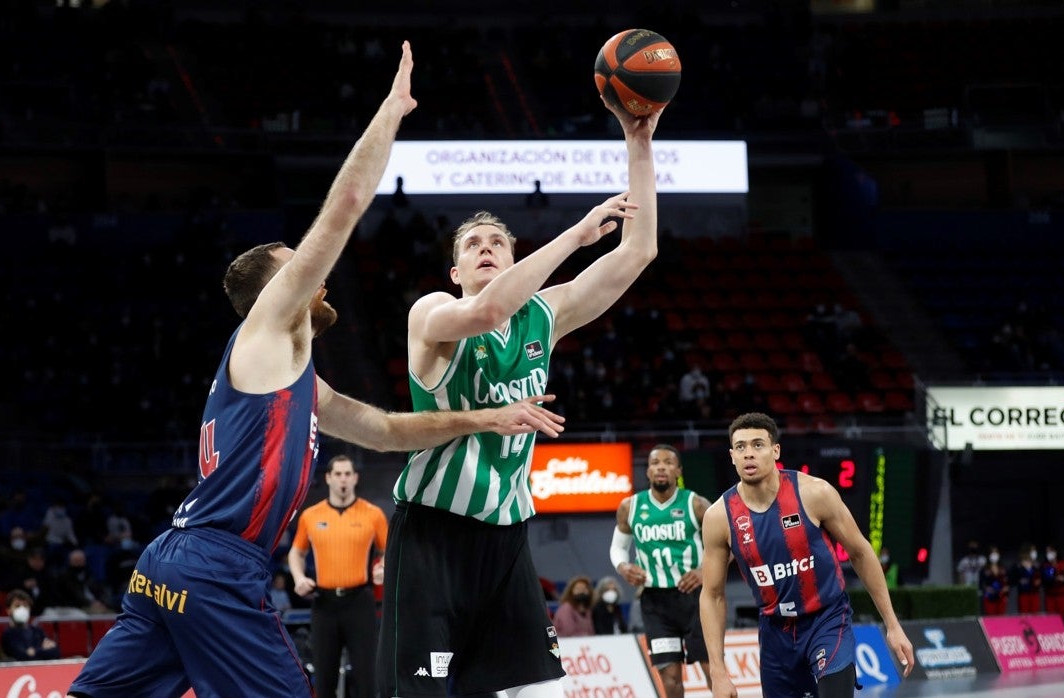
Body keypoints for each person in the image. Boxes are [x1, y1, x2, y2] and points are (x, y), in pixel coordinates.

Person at [67, 42, 565, 698]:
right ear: (276, 288)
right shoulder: (268, 326)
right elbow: (348, 202)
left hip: (170, 565)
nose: (315, 272)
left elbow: (386, 432)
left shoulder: (295, 378)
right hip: (219, 567)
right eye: (295, 262)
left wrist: (485, 418)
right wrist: (391, 112)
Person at [380, 90, 661, 698]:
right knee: (422, 690)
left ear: (513, 256)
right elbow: (490, 309)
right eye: (473, 245)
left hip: (507, 539)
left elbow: (638, 250)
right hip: (433, 534)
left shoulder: (544, 314)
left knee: (533, 690)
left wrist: (638, 143)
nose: (486, 248)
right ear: (454, 271)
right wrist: (576, 234)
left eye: (497, 243)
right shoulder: (431, 315)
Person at [700, 413, 914, 698]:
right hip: (775, 632)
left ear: (776, 450)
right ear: (732, 456)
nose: (748, 453)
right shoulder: (719, 517)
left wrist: (892, 625)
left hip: (827, 619)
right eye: (740, 447)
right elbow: (712, 595)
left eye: (757, 445)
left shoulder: (815, 493)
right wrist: (718, 672)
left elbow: (861, 552)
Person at [611, 444, 713, 697]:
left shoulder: (696, 504)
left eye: (668, 462)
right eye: (656, 462)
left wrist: (703, 571)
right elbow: (618, 549)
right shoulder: (630, 507)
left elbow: (728, 544)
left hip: (695, 599)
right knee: (670, 680)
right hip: (655, 603)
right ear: (647, 471)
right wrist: (623, 567)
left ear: (678, 470)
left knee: (713, 672)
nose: (661, 467)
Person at [288, 454, 388, 698]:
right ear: (328, 478)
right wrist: (299, 578)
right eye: (338, 474)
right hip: (324, 605)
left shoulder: (373, 514)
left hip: (360, 603)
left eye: (347, 474)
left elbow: (389, 551)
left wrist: (383, 568)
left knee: (367, 680)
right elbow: (296, 553)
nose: (343, 479)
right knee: (324, 682)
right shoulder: (311, 515)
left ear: (355, 478)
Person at [1, 589, 60, 661]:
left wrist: (34, 651)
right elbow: (22, 656)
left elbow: (55, 652)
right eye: (17, 606)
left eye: (25, 606)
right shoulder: (8, 634)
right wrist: (42, 650)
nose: (22, 609)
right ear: (8, 610)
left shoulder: (37, 631)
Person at [1010, 543, 1043, 614]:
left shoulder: (1037, 565)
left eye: (1035, 550)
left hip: (1035, 594)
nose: (1034, 552)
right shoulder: (1018, 566)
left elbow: (1042, 577)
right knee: (1024, 616)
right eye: (1032, 550)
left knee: (1035, 616)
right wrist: (1019, 581)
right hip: (1023, 595)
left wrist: (1040, 581)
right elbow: (1012, 580)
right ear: (1026, 552)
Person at [1041, 543, 1064, 618]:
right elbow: (1043, 581)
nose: (1049, 554)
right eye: (1047, 552)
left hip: (1061, 595)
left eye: (1051, 551)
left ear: (1056, 552)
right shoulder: (1044, 565)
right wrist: (1053, 579)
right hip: (1049, 595)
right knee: (1051, 619)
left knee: (1061, 618)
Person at [980, 546, 1009, 616]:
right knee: (991, 619)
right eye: (992, 553)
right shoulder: (984, 569)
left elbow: (1007, 583)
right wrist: (986, 589)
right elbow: (981, 584)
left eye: (996, 552)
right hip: (989, 598)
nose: (994, 555)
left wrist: (1006, 592)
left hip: (1001, 597)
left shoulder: (1003, 568)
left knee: (1001, 619)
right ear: (989, 555)